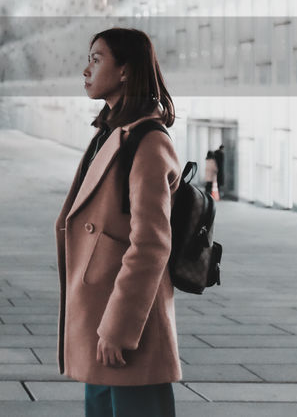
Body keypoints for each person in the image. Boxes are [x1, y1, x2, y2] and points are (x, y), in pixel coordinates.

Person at [55, 27, 181, 416]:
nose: (86, 70)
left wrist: (118, 328)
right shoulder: (110, 133)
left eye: (97, 59)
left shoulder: (148, 141)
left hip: (124, 327)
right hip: (99, 318)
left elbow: (151, 244)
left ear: (125, 70)